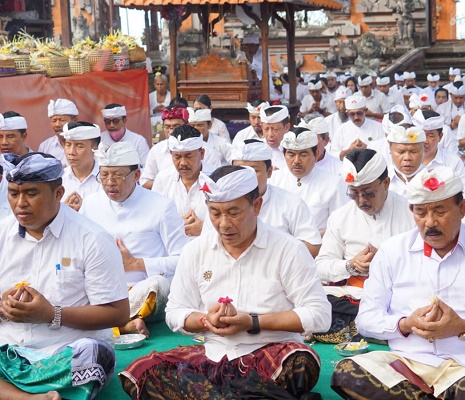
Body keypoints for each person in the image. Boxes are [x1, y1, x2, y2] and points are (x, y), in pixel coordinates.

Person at [119, 165, 331, 399]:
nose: (223, 224)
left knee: (301, 362)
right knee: (139, 371)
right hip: (213, 356)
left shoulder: (289, 249)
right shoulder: (195, 250)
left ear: (257, 206)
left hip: (271, 355)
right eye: (215, 213)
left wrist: (253, 322)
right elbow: (175, 312)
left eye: (233, 212)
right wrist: (205, 320)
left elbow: (320, 315)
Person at [331, 166, 465, 400]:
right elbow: (365, 321)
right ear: (411, 211)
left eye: (439, 211)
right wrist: (405, 324)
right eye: (421, 212)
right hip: (406, 366)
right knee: (347, 372)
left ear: (462, 208)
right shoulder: (391, 252)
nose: (430, 222)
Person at [0, 152, 129, 400]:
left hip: (64, 353)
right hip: (9, 347)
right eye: (14, 193)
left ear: (58, 194)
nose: (20, 203)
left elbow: (118, 313)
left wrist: (51, 314)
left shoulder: (92, 238)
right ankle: (29, 398)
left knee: (94, 355)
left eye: (31, 193)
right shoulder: (2, 233)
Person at [81, 142, 190, 339]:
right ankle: (124, 323)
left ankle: (110, 320)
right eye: (104, 175)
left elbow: (183, 259)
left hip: (142, 290)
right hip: (102, 288)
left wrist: (136, 264)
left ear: (136, 176)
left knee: (158, 285)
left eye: (118, 175)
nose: (109, 182)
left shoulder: (161, 206)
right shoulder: (90, 204)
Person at [314, 149, 414, 342]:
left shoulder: (411, 212)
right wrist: (350, 265)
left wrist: (385, 263)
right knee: (319, 303)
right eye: (354, 194)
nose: (361, 201)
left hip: (398, 294)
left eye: (368, 193)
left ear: (386, 183)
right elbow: (321, 266)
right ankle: (382, 331)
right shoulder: (341, 217)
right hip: (355, 296)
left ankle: (373, 329)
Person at [229, 139, 322, 256]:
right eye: (239, 170)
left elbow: (312, 246)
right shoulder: (220, 203)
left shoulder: (292, 203)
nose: (245, 177)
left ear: (269, 172)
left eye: (254, 170)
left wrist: (274, 256)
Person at [269, 127, 347, 234]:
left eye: (303, 155)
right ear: (284, 155)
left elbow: (341, 225)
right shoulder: (273, 180)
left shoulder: (334, 183)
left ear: (316, 155)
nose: (296, 161)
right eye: (291, 154)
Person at [152, 125, 215, 238]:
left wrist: (204, 228)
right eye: (177, 157)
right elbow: (153, 220)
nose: (183, 163)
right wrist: (176, 225)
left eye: (188, 156)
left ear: (201, 154)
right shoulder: (163, 179)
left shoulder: (216, 179)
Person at [417, 110, 465, 207]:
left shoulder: (452, 161)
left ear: (440, 137)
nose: (425, 141)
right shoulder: (405, 160)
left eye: (430, 135)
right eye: (421, 135)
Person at [141, 105, 189, 188]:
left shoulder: (202, 149)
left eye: (176, 127)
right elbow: (144, 182)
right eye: (167, 127)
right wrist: (166, 184)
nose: (171, 131)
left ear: (187, 125)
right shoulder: (156, 150)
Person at [61, 122, 102, 212]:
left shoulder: (105, 179)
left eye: (79, 146)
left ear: (95, 149)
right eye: (68, 145)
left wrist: (85, 211)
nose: (71, 152)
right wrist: (61, 210)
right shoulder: (59, 179)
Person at [331, 95, 385, 160]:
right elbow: (333, 155)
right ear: (347, 113)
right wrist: (349, 150)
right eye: (352, 114)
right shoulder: (341, 130)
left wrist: (367, 147)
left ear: (365, 111)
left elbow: (385, 152)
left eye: (359, 113)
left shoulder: (378, 127)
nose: (356, 117)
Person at [39, 99, 79, 166]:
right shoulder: (45, 146)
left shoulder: (86, 144)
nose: (57, 125)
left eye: (62, 120)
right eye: (54, 120)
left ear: (74, 120)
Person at [260, 105, 291, 171]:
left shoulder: (295, 149)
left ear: (287, 127)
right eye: (266, 129)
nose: (270, 134)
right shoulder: (256, 148)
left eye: (275, 129)